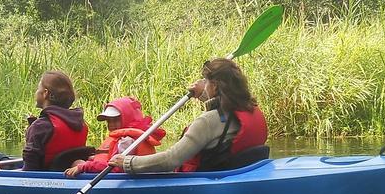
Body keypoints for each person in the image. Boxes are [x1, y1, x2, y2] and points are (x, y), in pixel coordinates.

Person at [108, 58, 267, 174]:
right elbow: (221, 115)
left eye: (206, 81)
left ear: (215, 85)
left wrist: (128, 162)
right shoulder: (252, 110)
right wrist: (204, 94)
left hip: (208, 184)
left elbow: (171, 160)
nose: (202, 84)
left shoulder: (207, 122)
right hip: (242, 173)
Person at [0, 70, 88, 171]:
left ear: (45, 93)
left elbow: (28, 173)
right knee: (0, 157)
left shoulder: (41, 126)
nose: (36, 92)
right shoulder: (81, 123)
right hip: (66, 173)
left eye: (38, 88)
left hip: (42, 177)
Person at [63, 96, 165, 177]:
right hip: (115, 172)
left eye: (115, 119)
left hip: (118, 177)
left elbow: (116, 167)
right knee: (80, 161)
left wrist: (84, 166)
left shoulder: (127, 141)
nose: (111, 124)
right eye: (108, 120)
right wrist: (95, 158)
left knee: (77, 163)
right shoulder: (128, 138)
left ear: (127, 117)